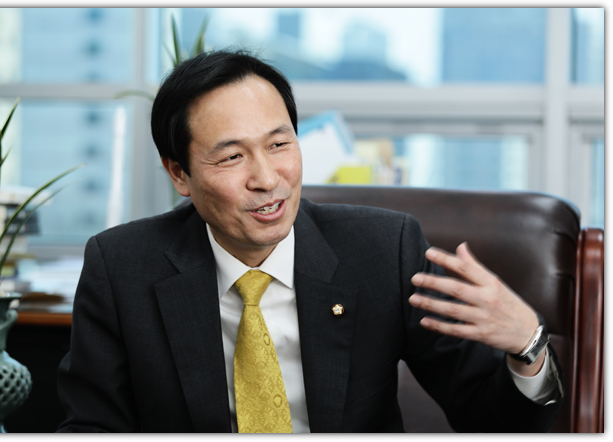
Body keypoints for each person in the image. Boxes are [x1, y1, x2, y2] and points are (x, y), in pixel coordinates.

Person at [57, 50, 563, 433]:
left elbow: (494, 422)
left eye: (279, 144)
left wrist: (528, 345)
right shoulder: (121, 267)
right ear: (179, 174)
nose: (266, 179)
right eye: (232, 157)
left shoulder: (385, 250)